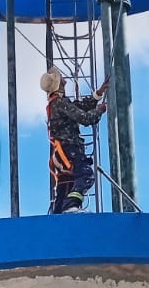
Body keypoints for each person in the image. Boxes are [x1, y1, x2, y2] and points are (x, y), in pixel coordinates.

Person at [40, 68, 107, 213]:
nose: (64, 79)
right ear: (58, 84)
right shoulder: (60, 103)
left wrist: (97, 95)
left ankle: (58, 214)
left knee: (66, 183)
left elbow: (78, 107)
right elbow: (84, 118)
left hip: (61, 152)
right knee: (86, 175)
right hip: (69, 149)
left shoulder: (57, 103)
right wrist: (99, 111)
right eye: (61, 78)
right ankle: (71, 205)